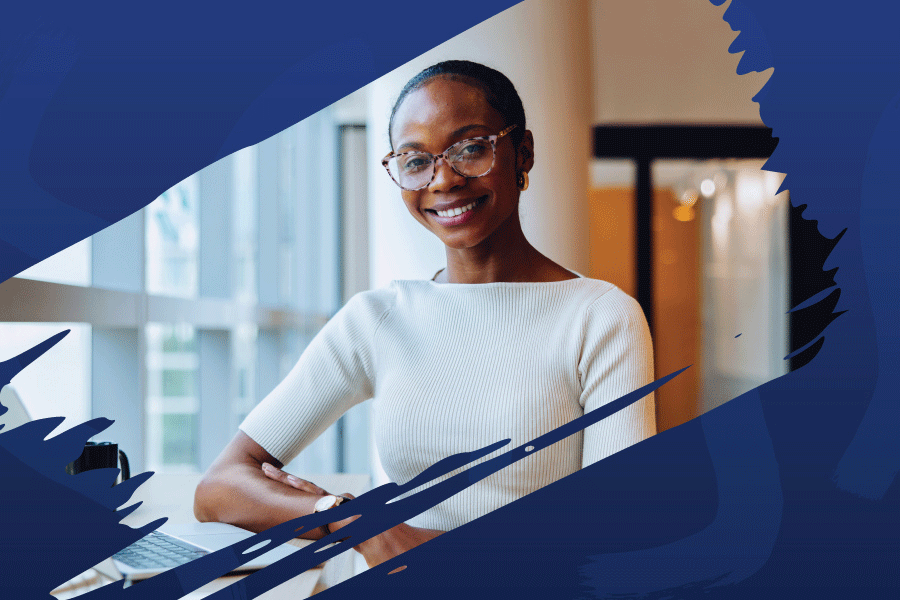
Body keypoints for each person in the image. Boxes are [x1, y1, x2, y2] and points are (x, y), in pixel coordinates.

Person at [194, 60, 655, 568]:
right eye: (416, 161)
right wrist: (354, 521)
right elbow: (219, 488)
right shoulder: (378, 318)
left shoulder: (601, 316)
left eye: (470, 149)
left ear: (522, 152)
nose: (444, 179)